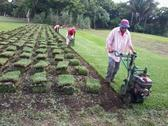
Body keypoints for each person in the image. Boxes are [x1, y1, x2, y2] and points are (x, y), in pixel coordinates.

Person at [105, 19, 135, 84]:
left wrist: (133, 51)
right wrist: (110, 48)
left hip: (120, 54)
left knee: (116, 69)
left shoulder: (128, 33)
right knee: (111, 66)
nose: (124, 28)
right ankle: (107, 79)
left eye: (126, 27)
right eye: (123, 27)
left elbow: (129, 43)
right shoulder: (115, 31)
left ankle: (112, 78)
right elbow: (108, 40)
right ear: (120, 26)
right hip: (113, 53)